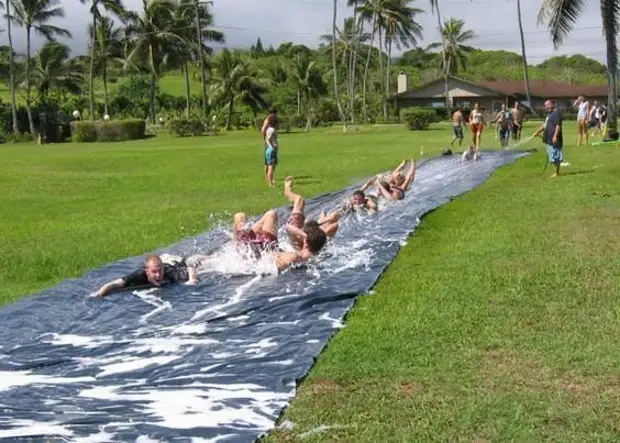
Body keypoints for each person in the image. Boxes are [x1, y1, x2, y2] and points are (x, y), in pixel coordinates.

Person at [94, 253, 205, 297]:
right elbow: (114, 284)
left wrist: (192, 280)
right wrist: (99, 294)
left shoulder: (169, 273)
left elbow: (190, 267)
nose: (158, 275)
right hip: (164, 260)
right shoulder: (139, 275)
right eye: (154, 272)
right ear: (147, 272)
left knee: (194, 260)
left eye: (159, 271)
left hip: (174, 262)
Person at [284, 176, 340, 250]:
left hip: (298, 230)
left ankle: (287, 191)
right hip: (306, 234)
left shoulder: (300, 238)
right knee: (300, 201)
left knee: (300, 199)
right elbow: (334, 225)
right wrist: (326, 219)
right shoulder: (321, 235)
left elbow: (288, 227)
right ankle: (288, 193)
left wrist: (325, 220)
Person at [533, 99, 563, 178]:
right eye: (545, 106)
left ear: (553, 104)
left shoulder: (556, 114)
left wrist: (555, 136)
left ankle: (556, 173)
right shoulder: (550, 115)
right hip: (548, 139)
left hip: (554, 139)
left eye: (548, 105)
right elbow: (545, 125)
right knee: (552, 155)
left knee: (555, 156)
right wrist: (537, 132)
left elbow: (558, 125)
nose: (546, 107)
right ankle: (556, 172)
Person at [260, 107, 279, 187]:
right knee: (269, 163)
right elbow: (262, 131)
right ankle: (269, 179)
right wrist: (267, 142)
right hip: (270, 147)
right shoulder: (268, 120)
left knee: (269, 163)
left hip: (269, 146)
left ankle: (269, 178)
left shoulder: (271, 122)